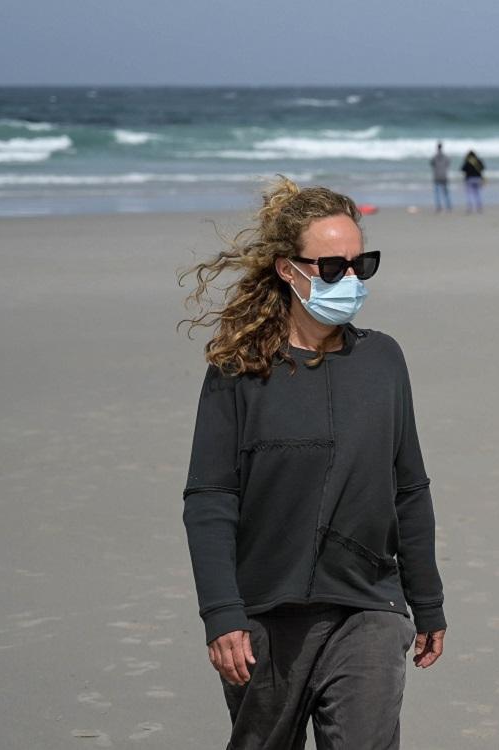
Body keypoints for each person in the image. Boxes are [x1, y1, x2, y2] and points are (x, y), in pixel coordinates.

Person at [179, 177, 447, 749]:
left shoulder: (383, 359)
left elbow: (410, 488)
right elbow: (209, 498)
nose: (348, 279)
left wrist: (427, 603)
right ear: (288, 269)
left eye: (361, 264)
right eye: (331, 267)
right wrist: (222, 613)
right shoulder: (239, 370)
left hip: (369, 604)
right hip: (265, 611)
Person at [430, 142, 451, 213]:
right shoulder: (445, 157)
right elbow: (448, 164)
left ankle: (439, 207)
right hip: (444, 176)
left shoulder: (435, 157)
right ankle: (448, 206)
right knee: (446, 193)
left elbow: (431, 164)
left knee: (437, 193)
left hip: (437, 176)